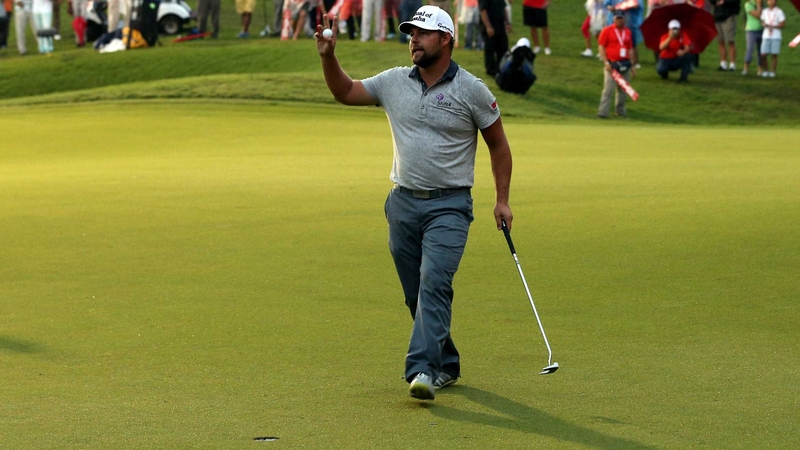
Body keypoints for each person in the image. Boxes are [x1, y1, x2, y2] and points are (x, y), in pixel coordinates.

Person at [315, 5, 513, 400]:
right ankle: (447, 363)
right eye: (411, 33)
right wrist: (329, 56)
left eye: (422, 33)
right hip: (402, 204)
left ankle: (422, 369)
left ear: (446, 39)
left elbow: (499, 146)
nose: (413, 40)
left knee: (434, 283)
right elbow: (345, 91)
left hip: (450, 207)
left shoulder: (472, 90)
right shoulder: (393, 82)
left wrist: (502, 200)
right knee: (415, 294)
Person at [597, 10, 634, 118]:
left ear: (624, 19)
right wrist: (606, 62)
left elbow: (630, 48)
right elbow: (601, 47)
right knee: (608, 89)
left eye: (621, 18)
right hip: (612, 65)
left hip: (624, 64)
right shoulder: (607, 31)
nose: (619, 20)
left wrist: (632, 65)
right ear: (614, 19)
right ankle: (602, 113)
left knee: (623, 90)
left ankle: (620, 111)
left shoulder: (627, 32)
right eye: (617, 18)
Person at [480, 0, 511, 76]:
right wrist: (488, 26)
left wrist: (507, 23)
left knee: (503, 48)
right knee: (490, 49)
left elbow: (504, 8)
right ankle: (490, 69)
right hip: (491, 25)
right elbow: (483, 11)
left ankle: (501, 68)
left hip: (500, 25)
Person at [759, 0, 785, 77]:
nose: (771, 2)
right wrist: (764, 24)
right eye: (770, 0)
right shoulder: (765, 11)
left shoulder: (779, 12)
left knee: (774, 54)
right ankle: (766, 70)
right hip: (766, 35)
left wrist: (773, 27)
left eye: (773, 0)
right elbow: (762, 21)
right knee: (763, 54)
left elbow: (782, 24)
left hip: (776, 36)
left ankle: (773, 72)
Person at [713, 0, 740, 71]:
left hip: (728, 15)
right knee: (720, 41)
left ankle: (732, 64)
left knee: (730, 40)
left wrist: (725, 2)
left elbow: (736, 2)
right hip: (718, 16)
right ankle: (723, 63)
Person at [742, 0, 763, 75]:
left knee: (760, 51)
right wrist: (758, 5)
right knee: (750, 49)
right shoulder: (748, 4)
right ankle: (745, 68)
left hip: (762, 30)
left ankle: (760, 70)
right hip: (751, 30)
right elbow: (758, 15)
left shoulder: (763, 4)